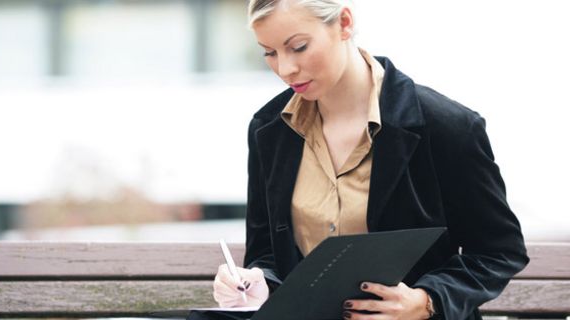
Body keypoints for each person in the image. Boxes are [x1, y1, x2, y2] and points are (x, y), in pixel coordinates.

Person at [209, 0, 529, 319]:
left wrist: (427, 300)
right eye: (270, 52)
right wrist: (257, 283)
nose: (285, 68)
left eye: (299, 47)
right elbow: (266, 253)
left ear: (344, 23)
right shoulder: (269, 129)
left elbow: (499, 251)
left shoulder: (446, 126)